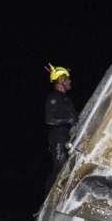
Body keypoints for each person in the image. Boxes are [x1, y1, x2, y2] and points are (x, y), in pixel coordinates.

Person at [44, 63, 78, 194]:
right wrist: (68, 120)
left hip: (69, 139)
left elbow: (76, 119)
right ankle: (47, 201)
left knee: (69, 170)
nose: (70, 81)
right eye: (67, 78)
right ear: (60, 80)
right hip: (58, 139)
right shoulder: (53, 97)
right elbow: (49, 120)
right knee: (60, 169)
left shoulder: (67, 100)